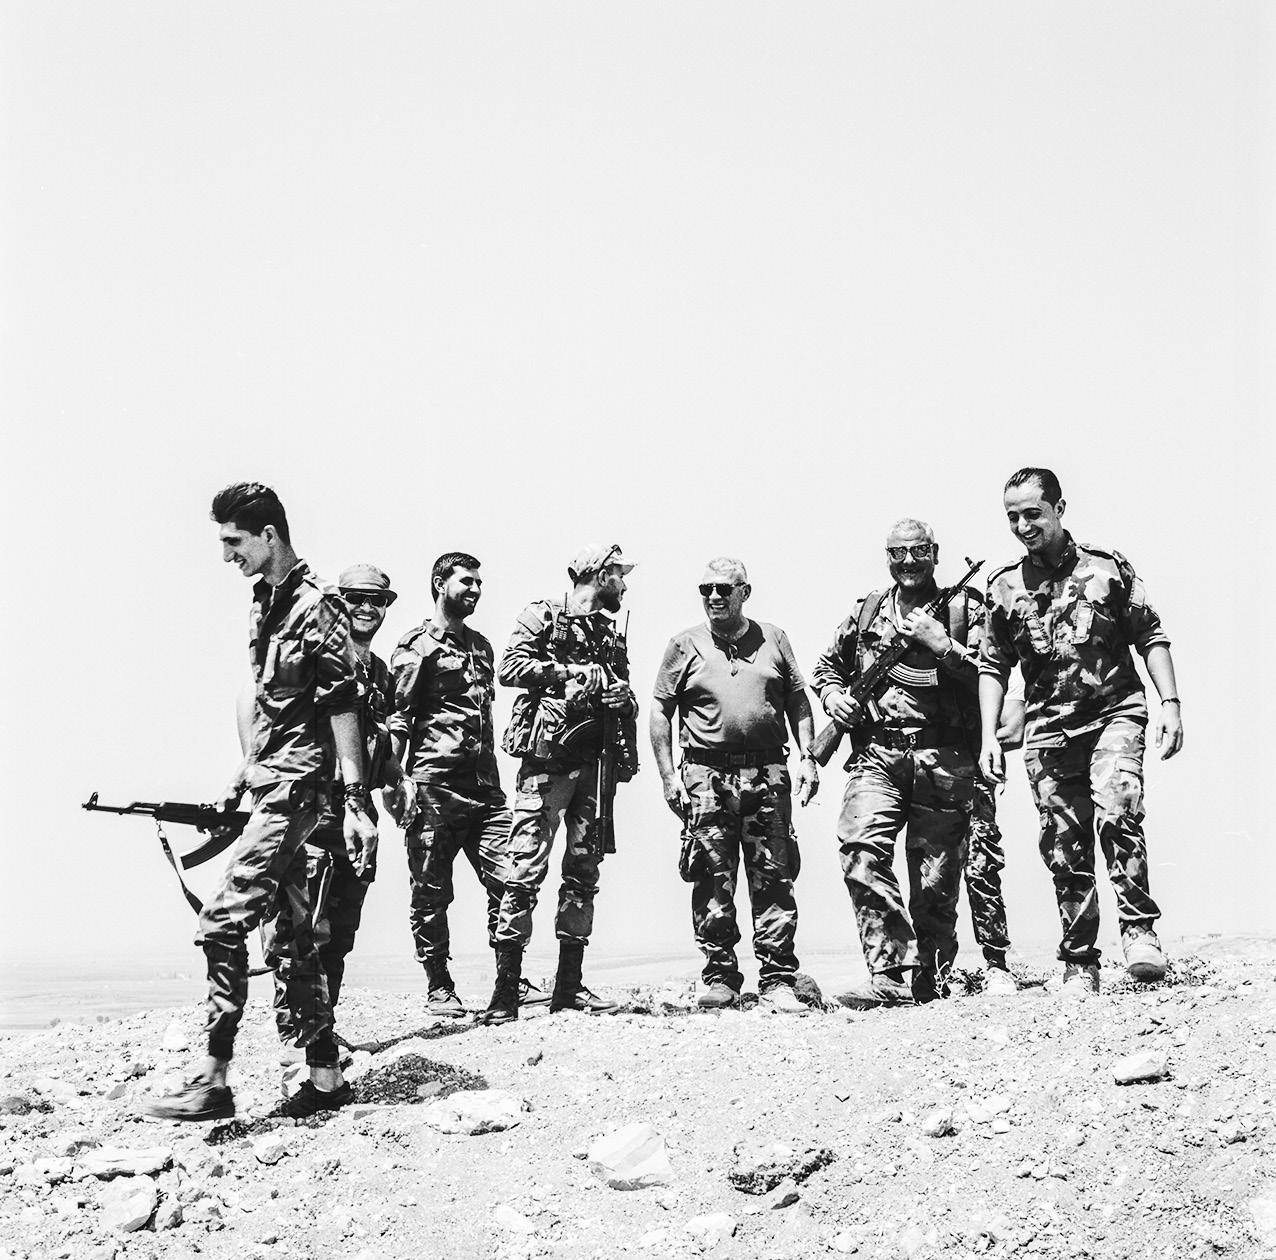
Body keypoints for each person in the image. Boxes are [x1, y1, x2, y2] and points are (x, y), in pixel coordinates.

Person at [145, 483, 376, 1121]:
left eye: (235, 542)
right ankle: (325, 1078)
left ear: (268, 535)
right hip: (272, 783)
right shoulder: (264, 604)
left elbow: (342, 706)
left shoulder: (318, 606)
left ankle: (213, 1078)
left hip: (299, 792)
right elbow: (274, 706)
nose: (227, 556)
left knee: (221, 923)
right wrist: (245, 771)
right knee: (295, 937)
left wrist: (355, 800)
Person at [978, 467, 1183, 996]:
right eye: (1013, 517)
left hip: (1115, 711)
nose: (1023, 526)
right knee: (1063, 844)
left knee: (1118, 809)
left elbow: (1150, 635)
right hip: (1048, 728)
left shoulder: (1106, 568)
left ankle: (1139, 933)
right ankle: (1078, 961)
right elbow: (993, 665)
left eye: (1033, 514)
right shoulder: (1002, 586)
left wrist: (1171, 703)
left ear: (1059, 509)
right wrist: (988, 738)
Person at [811, 519, 983, 1009]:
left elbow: (991, 676)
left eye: (918, 551)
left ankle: (930, 980)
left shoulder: (964, 610)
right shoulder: (867, 611)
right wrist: (835, 697)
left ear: (935, 553)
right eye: (897, 553)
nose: (908, 561)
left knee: (935, 879)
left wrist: (942, 645)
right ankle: (891, 974)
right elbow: (827, 667)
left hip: (942, 757)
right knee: (860, 848)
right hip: (877, 755)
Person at [650, 558, 817, 1013]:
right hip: (706, 776)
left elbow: (799, 700)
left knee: (774, 876)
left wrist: (808, 758)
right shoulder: (683, 644)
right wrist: (668, 776)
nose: (714, 597)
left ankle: (779, 979)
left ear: (745, 592)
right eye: (706, 589)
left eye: (724, 588)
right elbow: (660, 709)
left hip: (768, 773)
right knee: (711, 876)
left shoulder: (773, 638)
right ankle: (720, 977)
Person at [266, 563, 403, 1075]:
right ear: (338, 603)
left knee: (340, 933)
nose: (367, 608)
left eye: (377, 600)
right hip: (311, 815)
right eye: (355, 598)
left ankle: (322, 1031)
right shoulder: (314, 659)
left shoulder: (379, 672)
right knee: (302, 934)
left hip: (356, 818)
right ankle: (304, 1046)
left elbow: (374, 743)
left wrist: (398, 779)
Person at [497, 544, 639, 1014]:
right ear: (600, 575)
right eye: (619, 575)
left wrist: (623, 698)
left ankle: (569, 987)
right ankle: (505, 990)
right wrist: (569, 672)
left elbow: (627, 696)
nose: (624, 584)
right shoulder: (543, 616)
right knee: (524, 870)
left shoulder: (610, 635)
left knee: (583, 874)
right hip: (547, 766)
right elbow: (509, 668)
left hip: (594, 770)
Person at [388, 552, 528, 1023]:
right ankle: (439, 986)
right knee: (430, 892)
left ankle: (509, 984)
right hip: (434, 787)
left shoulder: (482, 647)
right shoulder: (416, 646)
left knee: (512, 880)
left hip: (486, 789)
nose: (475, 589)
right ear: (439, 583)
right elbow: (399, 717)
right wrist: (395, 781)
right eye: (466, 581)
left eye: (479, 583)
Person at [962, 672, 1025, 996]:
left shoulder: (999, 669)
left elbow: (1014, 730)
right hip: (928, 773)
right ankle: (930, 971)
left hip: (974, 778)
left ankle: (996, 964)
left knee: (981, 869)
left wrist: (965, 743)